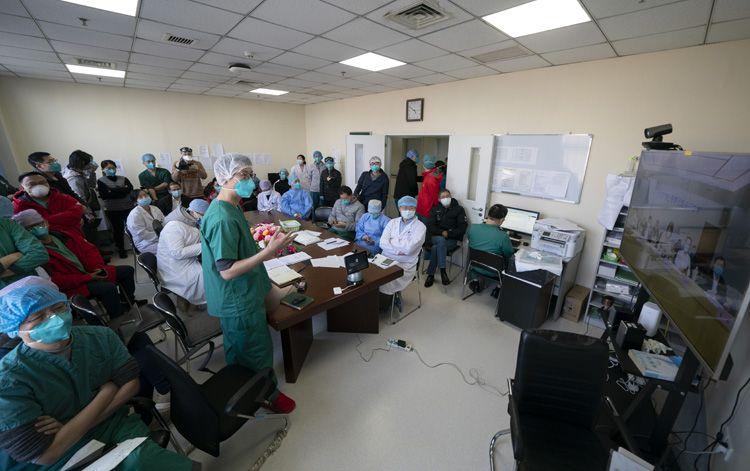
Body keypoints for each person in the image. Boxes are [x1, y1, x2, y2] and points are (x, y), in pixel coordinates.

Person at [0, 277, 195, 470]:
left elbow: (131, 384)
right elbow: (46, 455)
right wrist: (106, 393)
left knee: (143, 459)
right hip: (62, 459)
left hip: (113, 426)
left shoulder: (100, 337)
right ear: (15, 328)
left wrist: (69, 428)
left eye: (58, 307)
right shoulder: (9, 379)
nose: (54, 318)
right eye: (37, 317)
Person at [200, 153, 296, 414]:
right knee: (255, 350)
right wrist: (269, 252)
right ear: (223, 179)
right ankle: (267, 396)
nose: (250, 180)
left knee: (239, 350)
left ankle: (242, 390)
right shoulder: (221, 218)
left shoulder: (231, 207)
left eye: (250, 174)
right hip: (238, 299)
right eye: (243, 175)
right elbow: (227, 271)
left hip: (243, 292)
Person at [13, 209, 137, 318]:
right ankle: (118, 318)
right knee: (108, 288)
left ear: (46, 222)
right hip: (74, 285)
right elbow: (56, 281)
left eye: (39, 223)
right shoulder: (36, 254)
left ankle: (127, 303)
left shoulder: (64, 235)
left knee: (127, 271)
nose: (38, 228)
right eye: (30, 228)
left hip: (90, 271)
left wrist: (96, 268)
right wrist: (87, 277)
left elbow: (90, 250)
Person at [158, 199, 209, 307]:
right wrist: (203, 246)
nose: (204, 217)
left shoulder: (190, 220)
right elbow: (177, 252)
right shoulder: (173, 226)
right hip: (174, 266)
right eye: (203, 215)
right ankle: (198, 302)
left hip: (185, 259)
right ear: (194, 212)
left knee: (208, 269)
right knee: (203, 275)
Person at [378, 196, 427, 303]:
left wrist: (392, 243)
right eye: (404, 208)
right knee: (372, 276)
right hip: (385, 258)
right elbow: (382, 242)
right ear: (399, 208)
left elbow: (409, 249)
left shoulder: (420, 227)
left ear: (415, 209)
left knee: (386, 281)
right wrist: (397, 250)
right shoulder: (392, 222)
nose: (407, 210)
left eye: (411, 208)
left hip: (404, 264)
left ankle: (386, 303)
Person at [13, 172, 86, 236]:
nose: (39, 186)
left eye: (43, 182)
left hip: (75, 237)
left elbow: (80, 210)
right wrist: (67, 220)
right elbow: (32, 229)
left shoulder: (62, 197)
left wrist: (45, 221)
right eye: (32, 184)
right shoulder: (18, 205)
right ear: (22, 188)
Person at [467, 204, 515, 293]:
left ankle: (475, 281)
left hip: (474, 266)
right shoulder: (503, 236)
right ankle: (499, 287)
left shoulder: (472, 227)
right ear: (502, 220)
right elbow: (509, 254)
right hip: (494, 271)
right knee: (512, 261)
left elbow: (471, 242)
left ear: (488, 215)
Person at [424, 189, 467, 287]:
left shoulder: (459, 209)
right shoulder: (435, 209)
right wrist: (441, 232)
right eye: (443, 197)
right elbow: (430, 226)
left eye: (448, 196)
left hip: (451, 239)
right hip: (435, 237)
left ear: (451, 197)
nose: (446, 198)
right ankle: (443, 272)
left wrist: (449, 233)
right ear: (439, 199)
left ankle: (431, 274)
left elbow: (462, 228)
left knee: (436, 247)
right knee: (440, 240)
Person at [97, 160, 135, 259]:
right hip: (113, 209)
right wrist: (122, 190)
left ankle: (136, 247)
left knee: (132, 227)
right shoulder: (101, 181)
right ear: (103, 170)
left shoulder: (123, 178)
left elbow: (130, 189)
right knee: (118, 230)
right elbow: (104, 195)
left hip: (128, 207)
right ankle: (121, 250)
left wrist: (112, 190)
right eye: (108, 168)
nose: (112, 170)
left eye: (113, 168)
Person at [0, 214, 49, 289]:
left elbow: (39, 254)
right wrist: (13, 256)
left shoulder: (7, 224)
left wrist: (6, 270)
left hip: (31, 288)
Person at [126, 190, 164, 254]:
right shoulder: (134, 215)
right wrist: (161, 236)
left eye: (145, 195)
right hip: (145, 243)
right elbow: (142, 234)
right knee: (168, 248)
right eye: (140, 197)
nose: (144, 197)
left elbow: (164, 222)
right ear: (135, 201)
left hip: (160, 237)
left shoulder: (155, 208)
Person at [417, 154, 444, 220]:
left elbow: (435, 197)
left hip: (426, 211)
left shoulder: (430, 178)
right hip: (424, 209)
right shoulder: (428, 176)